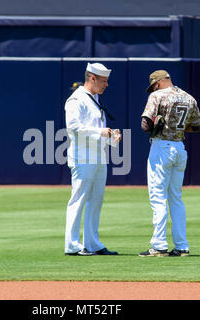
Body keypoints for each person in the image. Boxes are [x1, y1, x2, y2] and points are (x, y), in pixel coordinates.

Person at [139, 70, 200, 257]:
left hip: (162, 147)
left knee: (158, 197)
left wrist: (159, 124)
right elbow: (198, 126)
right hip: (179, 148)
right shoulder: (189, 97)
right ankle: (182, 246)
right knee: (176, 198)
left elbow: (145, 125)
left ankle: (159, 245)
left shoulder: (157, 95)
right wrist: (178, 127)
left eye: (153, 85)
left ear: (158, 83)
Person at [64, 63, 121, 256]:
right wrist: (101, 132)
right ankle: (72, 245)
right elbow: (73, 127)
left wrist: (112, 137)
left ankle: (92, 243)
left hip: (98, 157)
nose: (106, 85)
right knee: (78, 199)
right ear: (93, 78)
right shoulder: (76, 99)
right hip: (82, 157)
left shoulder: (94, 98)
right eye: (104, 81)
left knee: (96, 201)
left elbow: (97, 129)